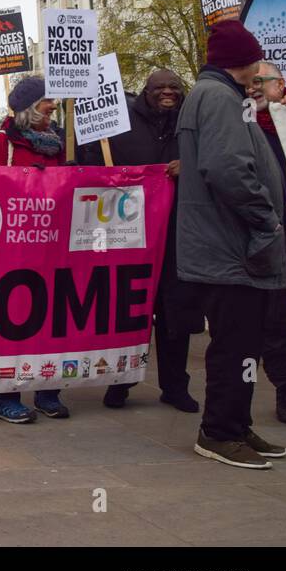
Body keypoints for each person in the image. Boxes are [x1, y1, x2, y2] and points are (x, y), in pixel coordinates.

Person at [179, 20, 286, 468]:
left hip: (230, 246)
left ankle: (236, 425)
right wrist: (267, 219)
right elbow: (228, 170)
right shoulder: (220, 98)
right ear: (245, 61)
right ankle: (219, 432)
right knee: (233, 344)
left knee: (242, 344)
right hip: (230, 248)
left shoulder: (220, 95)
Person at [78, 69, 200, 413]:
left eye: (173, 87)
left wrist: (188, 164)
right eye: (159, 87)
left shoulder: (192, 122)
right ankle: (120, 383)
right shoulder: (118, 123)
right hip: (129, 233)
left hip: (178, 233)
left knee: (175, 313)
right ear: (145, 92)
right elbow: (91, 165)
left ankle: (176, 386)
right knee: (128, 312)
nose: (167, 92)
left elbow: (211, 160)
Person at [0, 76, 71, 422]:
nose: (53, 107)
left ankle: (48, 391)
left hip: (52, 244)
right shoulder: (2, 142)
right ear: (29, 107)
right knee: (12, 319)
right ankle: (4, 395)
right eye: (47, 101)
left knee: (50, 318)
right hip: (12, 247)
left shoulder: (60, 142)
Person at [245, 61, 286, 424]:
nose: (252, 89)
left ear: (281, 85)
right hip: (271, 240)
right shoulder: (241, 126)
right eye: (247, 83)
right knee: (273, 321)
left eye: (260, 82)